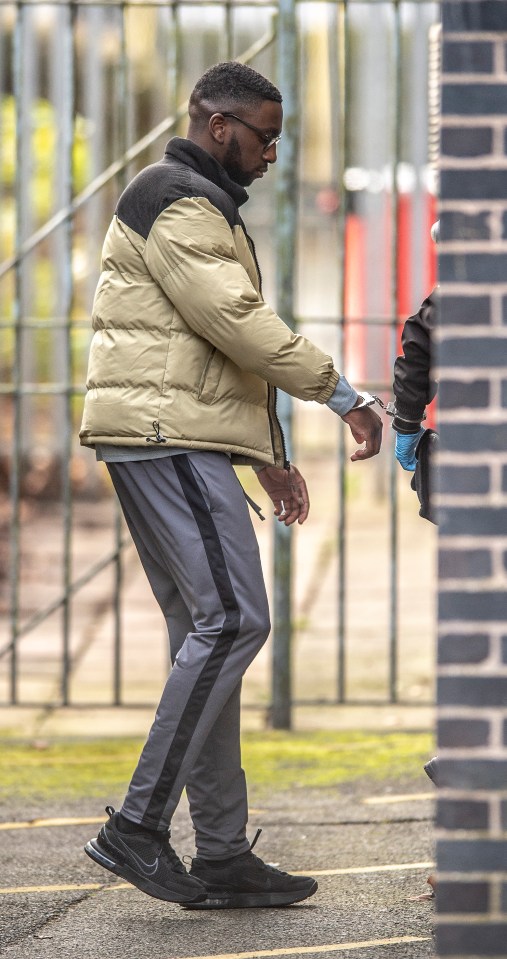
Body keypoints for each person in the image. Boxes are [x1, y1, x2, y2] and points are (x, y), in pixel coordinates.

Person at [79, 60, 382, 910]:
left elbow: (201, 358)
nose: (271, 155)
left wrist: (264, 454)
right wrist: (345, 395)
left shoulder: (190, 200)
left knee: (208, 638)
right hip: (161, 440)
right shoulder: (177, 197)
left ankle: (219, 852)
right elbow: (236, 324)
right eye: (264, 136)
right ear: (219, 124)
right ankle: (137, 827)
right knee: (234, 621)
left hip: (168, 436)